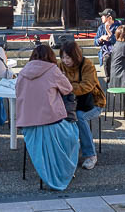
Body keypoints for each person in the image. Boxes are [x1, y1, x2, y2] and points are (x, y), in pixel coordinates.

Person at [15, 44, 79, 190]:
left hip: (28, 124)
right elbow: (68, 89)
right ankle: (65, 170)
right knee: (73, 135)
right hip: (52, 121)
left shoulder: (22, 72)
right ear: (51, 56)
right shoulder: (53, 70)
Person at [59, 39, 105, 170]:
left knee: (79, 117)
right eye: (63, 57)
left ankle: (90, 155)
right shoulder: (60, 65)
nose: (65, 61)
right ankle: (65, 152)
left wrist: (66, 85)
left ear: (76, 56)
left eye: (68, 57)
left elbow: (87, 86)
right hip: (69, 103)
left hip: (93, 103)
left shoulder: (87, 65)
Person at [94, 8, 119, 84]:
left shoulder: (119, 27)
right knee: (107, 58)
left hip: (117, 50)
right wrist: (101, 39)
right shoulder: (101, 28)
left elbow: (117, 41)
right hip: (106, 51)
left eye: (103, 16)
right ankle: (109, 80)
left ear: (109, 18)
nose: (101, 17)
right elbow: (95, 42)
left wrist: (108, 31)